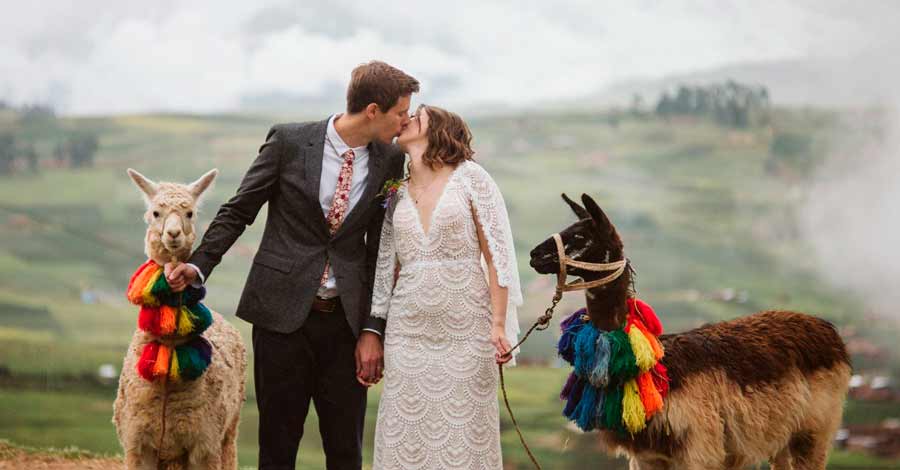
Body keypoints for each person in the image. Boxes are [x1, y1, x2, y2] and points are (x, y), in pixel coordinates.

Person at [165, 60, 419, 469]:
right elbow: (239, 209)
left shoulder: (391, 160)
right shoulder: (289, 140)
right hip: (280, 317)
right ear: (373, 110)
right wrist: (198, 266)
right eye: (400, 112)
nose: (406, 121)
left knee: (345, 450)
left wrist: (373, 328)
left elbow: (379, 249)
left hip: (345, 326)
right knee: (278, 447)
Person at [369, 104, 523, 469]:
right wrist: (376, 325)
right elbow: (385, 266)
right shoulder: (397, 192)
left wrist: (498, 325)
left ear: (437, 130)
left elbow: (496, 256)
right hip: (407, 335)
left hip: (466, 332)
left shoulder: (471, 179)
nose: (405, 121)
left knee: (464, 435)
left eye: (415, 118)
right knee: (404, 431)